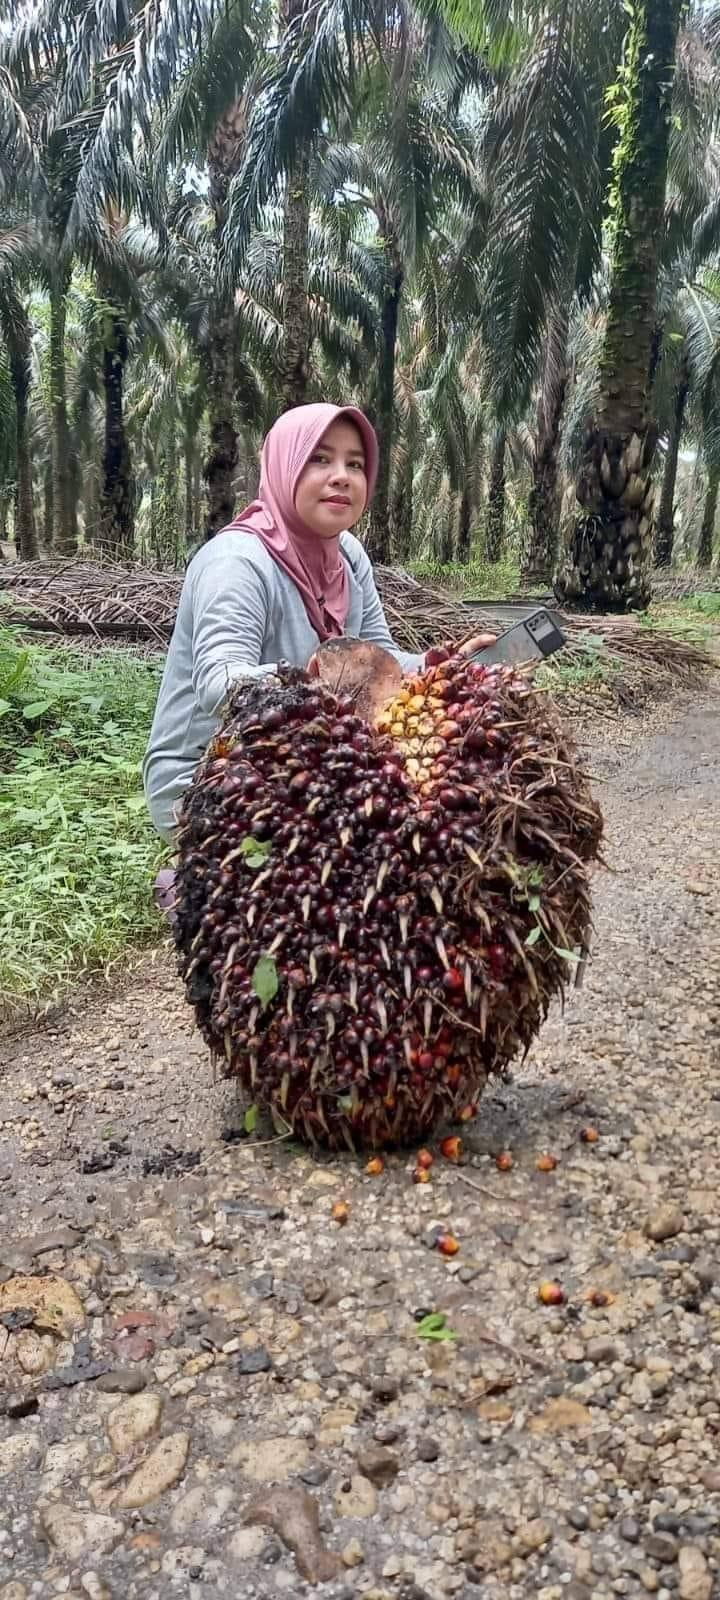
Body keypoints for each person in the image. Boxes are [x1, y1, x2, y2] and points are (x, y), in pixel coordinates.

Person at [143, 402, 493, 891]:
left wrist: (439, 663)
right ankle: (198, 879)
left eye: (355, 464)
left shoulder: (347, 555)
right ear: (285, 465)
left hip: (301, 756)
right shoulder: (237, 563)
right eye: (320, 460)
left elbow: (376, 656)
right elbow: (218, 685)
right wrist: (303, 680)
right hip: (207, 772)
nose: (342, 477)